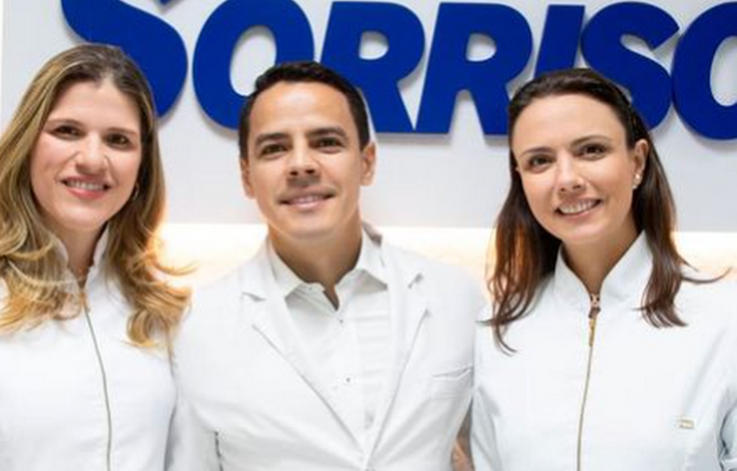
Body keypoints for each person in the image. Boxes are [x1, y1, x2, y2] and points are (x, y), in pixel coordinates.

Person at [169, 61, 485, 471]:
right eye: (274, 148)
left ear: (367, 162)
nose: (301, 165)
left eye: (326, 142)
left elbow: (490, 451)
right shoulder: (198, 328)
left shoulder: (456, 298)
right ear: (247, 177)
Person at [0, 44, 189, 471]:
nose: (92, 159)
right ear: (27, 144)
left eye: (118, 140)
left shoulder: (159, 307)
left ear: (142, 167)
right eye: (67, 131)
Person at [471, 68, 737, 471]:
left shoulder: (724, 319)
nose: (567, 179)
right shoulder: (498, 331)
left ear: (637, 162)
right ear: (520, 178)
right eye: (540, 161)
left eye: (591, 150)